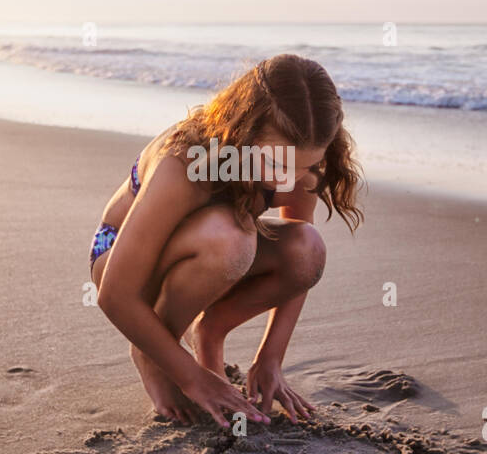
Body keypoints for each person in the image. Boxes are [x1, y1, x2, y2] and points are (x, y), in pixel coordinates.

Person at [90, 53, 363, 428]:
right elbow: (114, 294)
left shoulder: (304, 165)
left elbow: (300, 261)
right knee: (231, 237)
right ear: (244, 133)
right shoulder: (186, 161)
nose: (288, 182)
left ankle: (210, 332)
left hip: (216, 250)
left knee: (307, 247)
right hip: (121, 257)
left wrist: (272, 357)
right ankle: (151, 353)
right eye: (276, 165)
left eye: (302, 168)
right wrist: (192, 378)